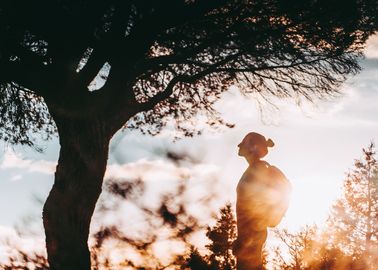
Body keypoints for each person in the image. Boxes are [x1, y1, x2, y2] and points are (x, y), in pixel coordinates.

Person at [233, 132, 291, 270]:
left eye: (244, 142)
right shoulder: (255, 169)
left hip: (251, 236)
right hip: (248, 236)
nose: (239, 145)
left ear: (253, 147)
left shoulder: (259, 170)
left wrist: (248, 236)